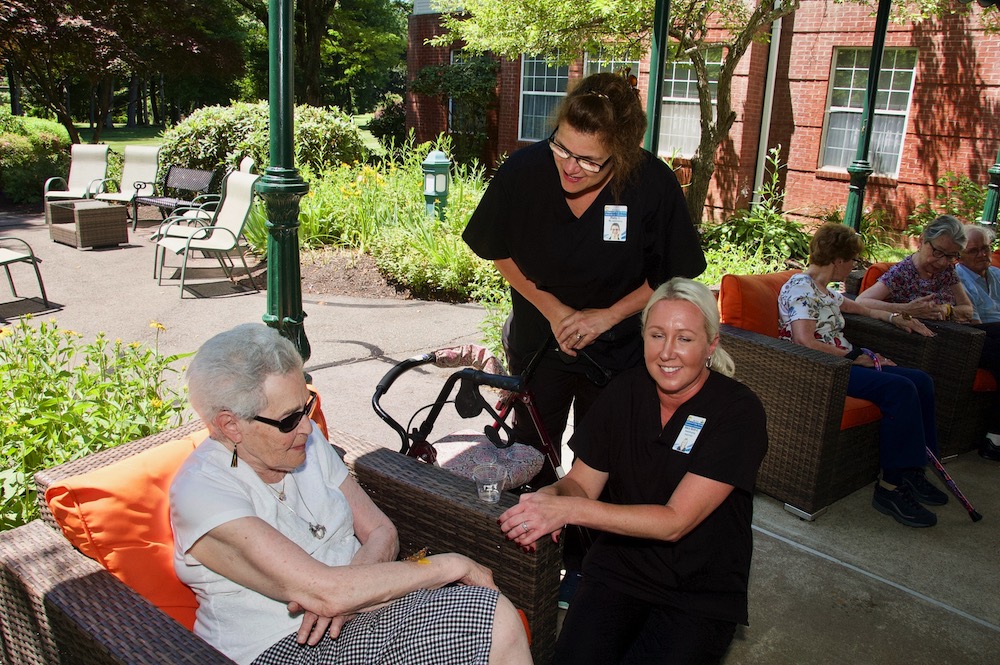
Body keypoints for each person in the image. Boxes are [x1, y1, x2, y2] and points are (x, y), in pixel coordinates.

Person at [463, 71, 705, 606]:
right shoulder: (527, 170)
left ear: (622, 154)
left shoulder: (651, 186)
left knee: (603, 460)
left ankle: (586, 564)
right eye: (563, 149)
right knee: (529, 452)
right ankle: (526, 552)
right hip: (540, 339)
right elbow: (493, 245)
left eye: (590, 160)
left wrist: (605, 317)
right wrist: (553, 309)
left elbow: (673, 272)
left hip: (617, 349)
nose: (570, 167)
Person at [169, 323, 532, 665]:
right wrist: (451, 564)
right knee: (491, 620)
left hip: (355, 615)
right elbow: (325, 590)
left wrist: (346, 594)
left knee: (487, 614)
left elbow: (381, 531)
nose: (308, 427)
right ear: (230, 425)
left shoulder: (303, 444)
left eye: (306, 406)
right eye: (288, 420)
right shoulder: (203, 491)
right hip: (281, 647)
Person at [497, 278, 767, 664]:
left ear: (711, 344)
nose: (668, 352)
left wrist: (569, 511)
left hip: (699, 587)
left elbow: (674, 521)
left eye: (685, 339)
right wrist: (548, 500)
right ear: (643, 339)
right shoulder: (626, 391)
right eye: (657, 335)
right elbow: (581, 484)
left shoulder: (737, 412)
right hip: (620, 566)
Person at [780, 223, 947, 528]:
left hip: (843, 362)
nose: (854, 266)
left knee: (921, 380)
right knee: (900, 390)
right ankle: (890, 488)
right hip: (823, 369)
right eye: (853, 260)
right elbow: (804, 340)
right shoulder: (799, 288)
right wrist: (857, 358)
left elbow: (864, 310)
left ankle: (915, 470)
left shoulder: (825, 291)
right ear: (838, 260)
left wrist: (895, 317)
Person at [858, 215, 1000, 461]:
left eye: (950, 256)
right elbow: (862, 301)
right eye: (938, 252)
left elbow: (967, 310)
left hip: (959, 338)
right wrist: (908, 309)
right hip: (930, 345)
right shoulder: (904, 272)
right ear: (923, 241)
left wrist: (946, 310)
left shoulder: (947, 272)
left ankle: (995, 435)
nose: (942, 261)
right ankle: (995, 436)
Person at [955, 223, 1000, 460]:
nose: (983, 254)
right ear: (960, 255)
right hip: (977, 341)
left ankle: (994, 438)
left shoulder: (997, 275)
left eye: (986, 248)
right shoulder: (959, 278)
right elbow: (974, 323)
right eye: (974, 250)